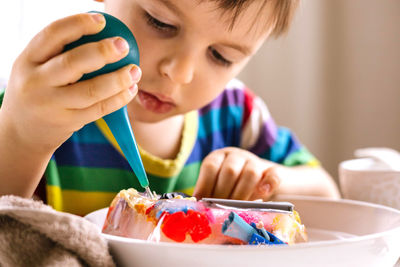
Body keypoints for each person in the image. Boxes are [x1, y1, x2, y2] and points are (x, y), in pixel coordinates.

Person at [0, 0, 340, 216]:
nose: (179, 73)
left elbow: (328, 194)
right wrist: (23, 137)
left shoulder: (237, 114)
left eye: (222, 56)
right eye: (160, 22)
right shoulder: (42, 103)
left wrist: (266, 180)